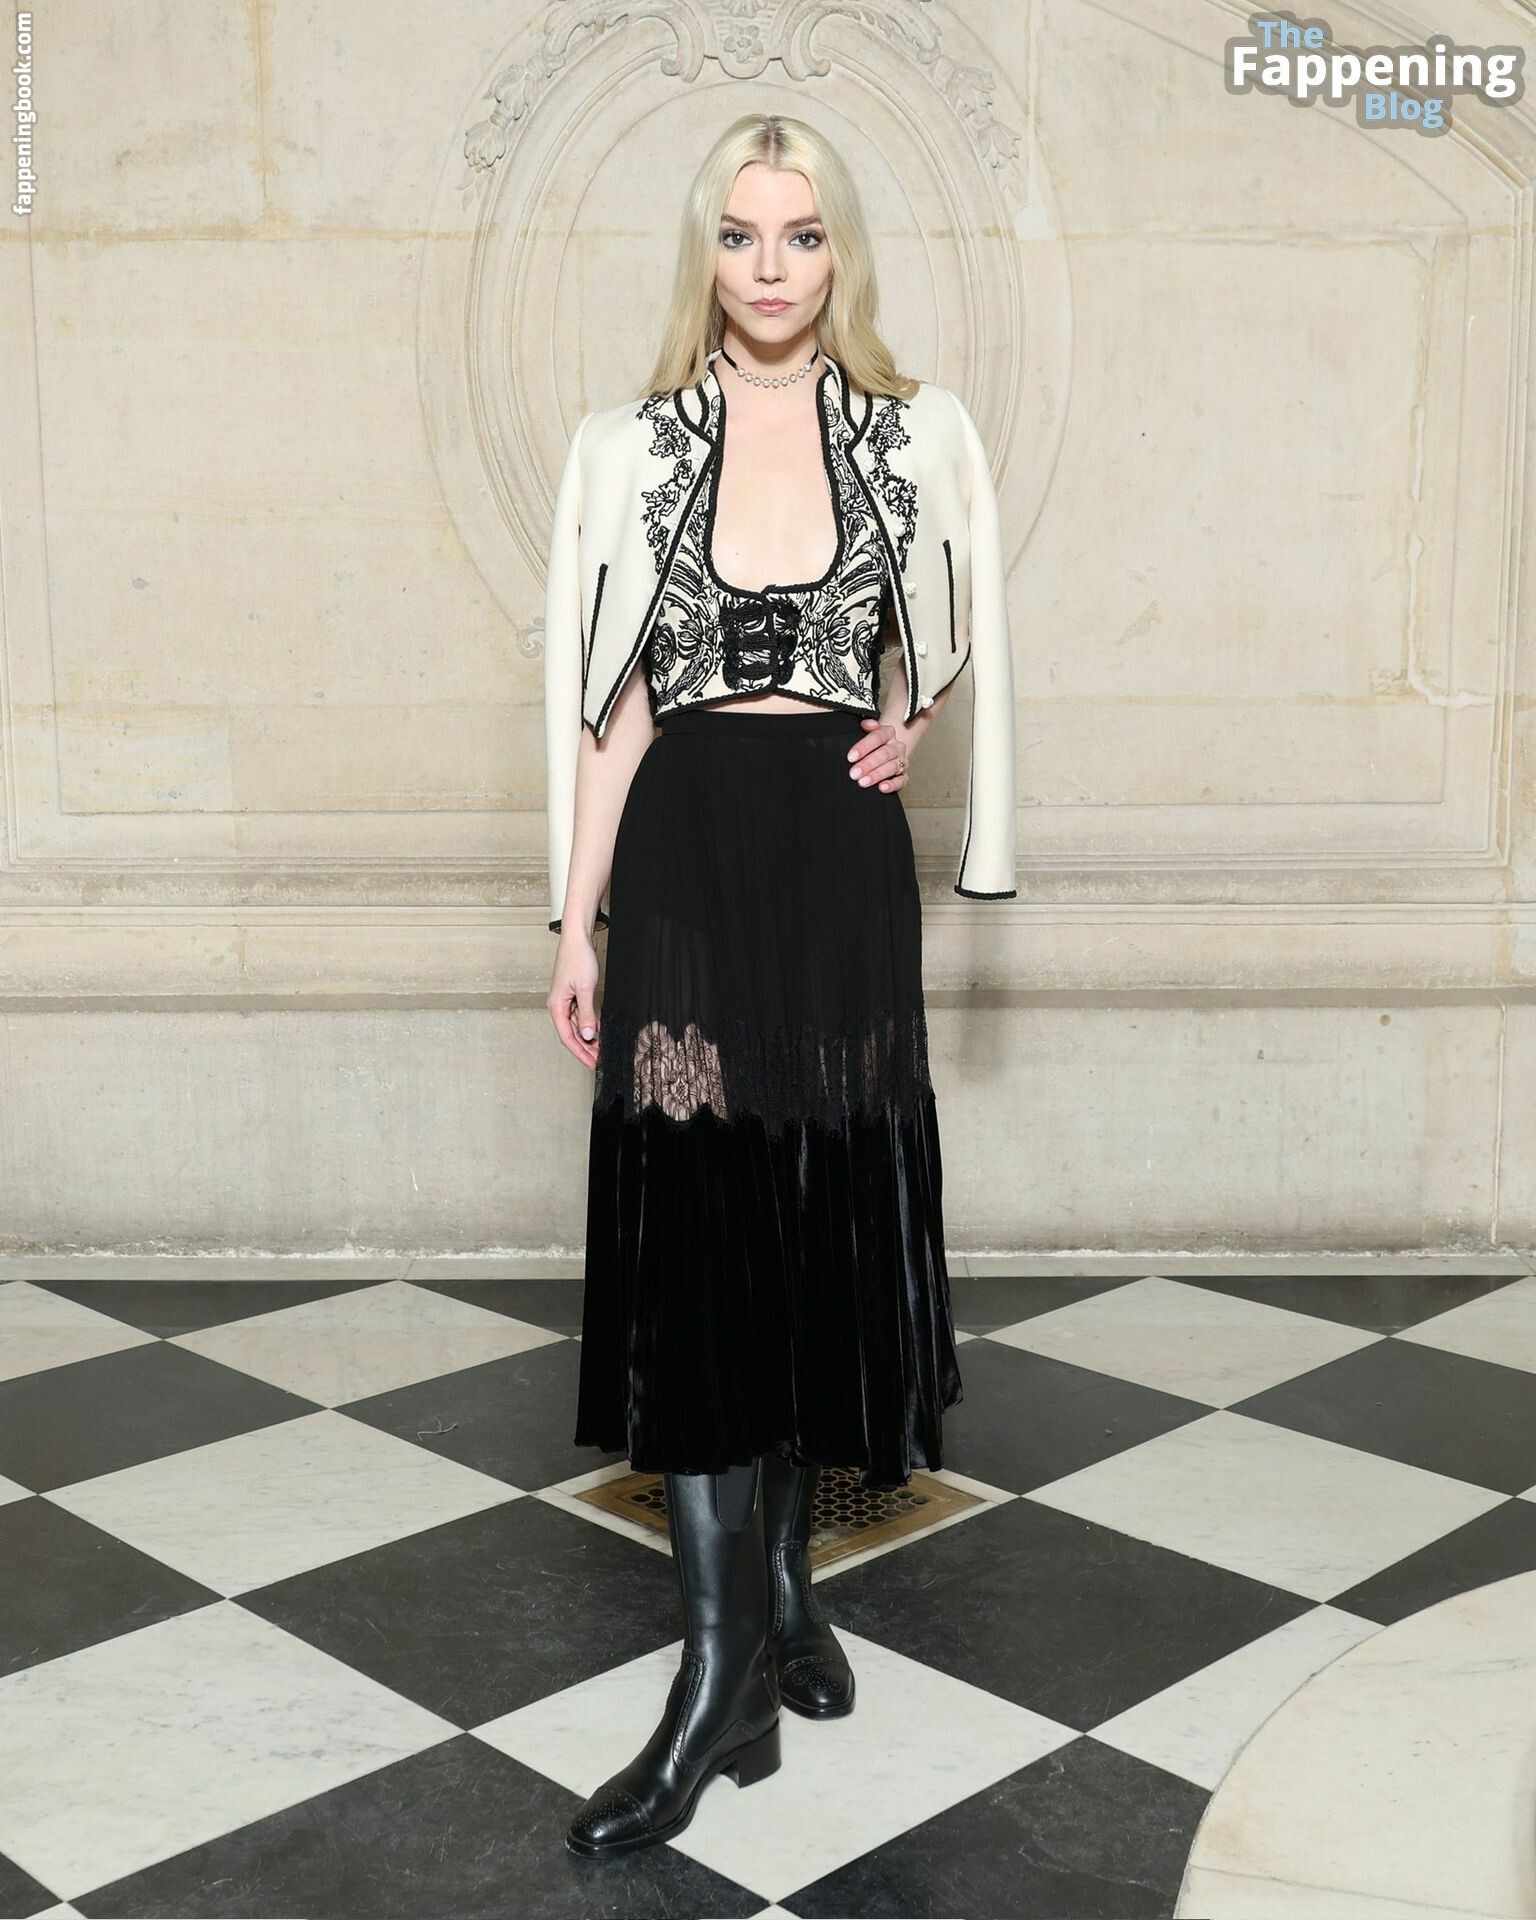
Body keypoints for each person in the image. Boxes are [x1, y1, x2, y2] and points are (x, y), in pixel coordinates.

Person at [542, 111, 1018, 1858]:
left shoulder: (910, 433)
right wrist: (574, 925)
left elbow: (956, 614)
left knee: (815, 1210)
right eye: (741, 236)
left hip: (833, 866)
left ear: (839, 252)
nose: (769, 266)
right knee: (703, 1233)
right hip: (684, 864)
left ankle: (795, 1601)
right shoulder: (632, 446)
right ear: (708, 253)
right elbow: (613, 708)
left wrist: (917, 720)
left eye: (801, 235)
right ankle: (718, 1672)